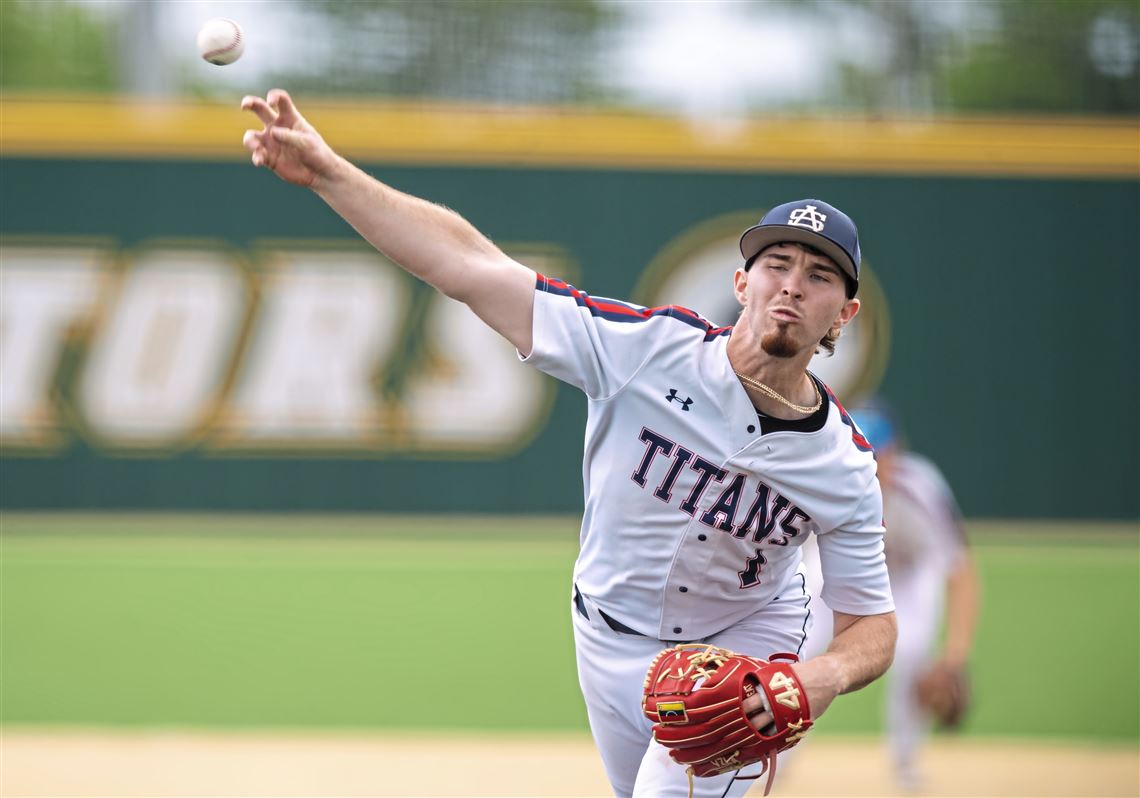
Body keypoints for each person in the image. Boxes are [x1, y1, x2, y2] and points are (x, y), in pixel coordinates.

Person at [240, 89, 897, 798]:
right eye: (778, 264)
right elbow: (466, 265)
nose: (792, 287)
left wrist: (819, 675)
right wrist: (331, 172)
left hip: (740, 653)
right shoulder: (643, 352)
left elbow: (873, 626)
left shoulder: (842, 463)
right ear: (741, 281)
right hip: (606, 635)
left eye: (820, 275)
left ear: (846, 312)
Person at [799, 401, 979, 791]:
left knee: (912, 650)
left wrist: (954, 658)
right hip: (839, 569)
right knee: (799, 644)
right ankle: (776, 758)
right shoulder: (830, 480)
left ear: (897, 450)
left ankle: (906, 764)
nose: (872, 461)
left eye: (878, 452)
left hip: (909, 579)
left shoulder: (922, 489)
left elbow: (960, 574)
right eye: (861, 448)